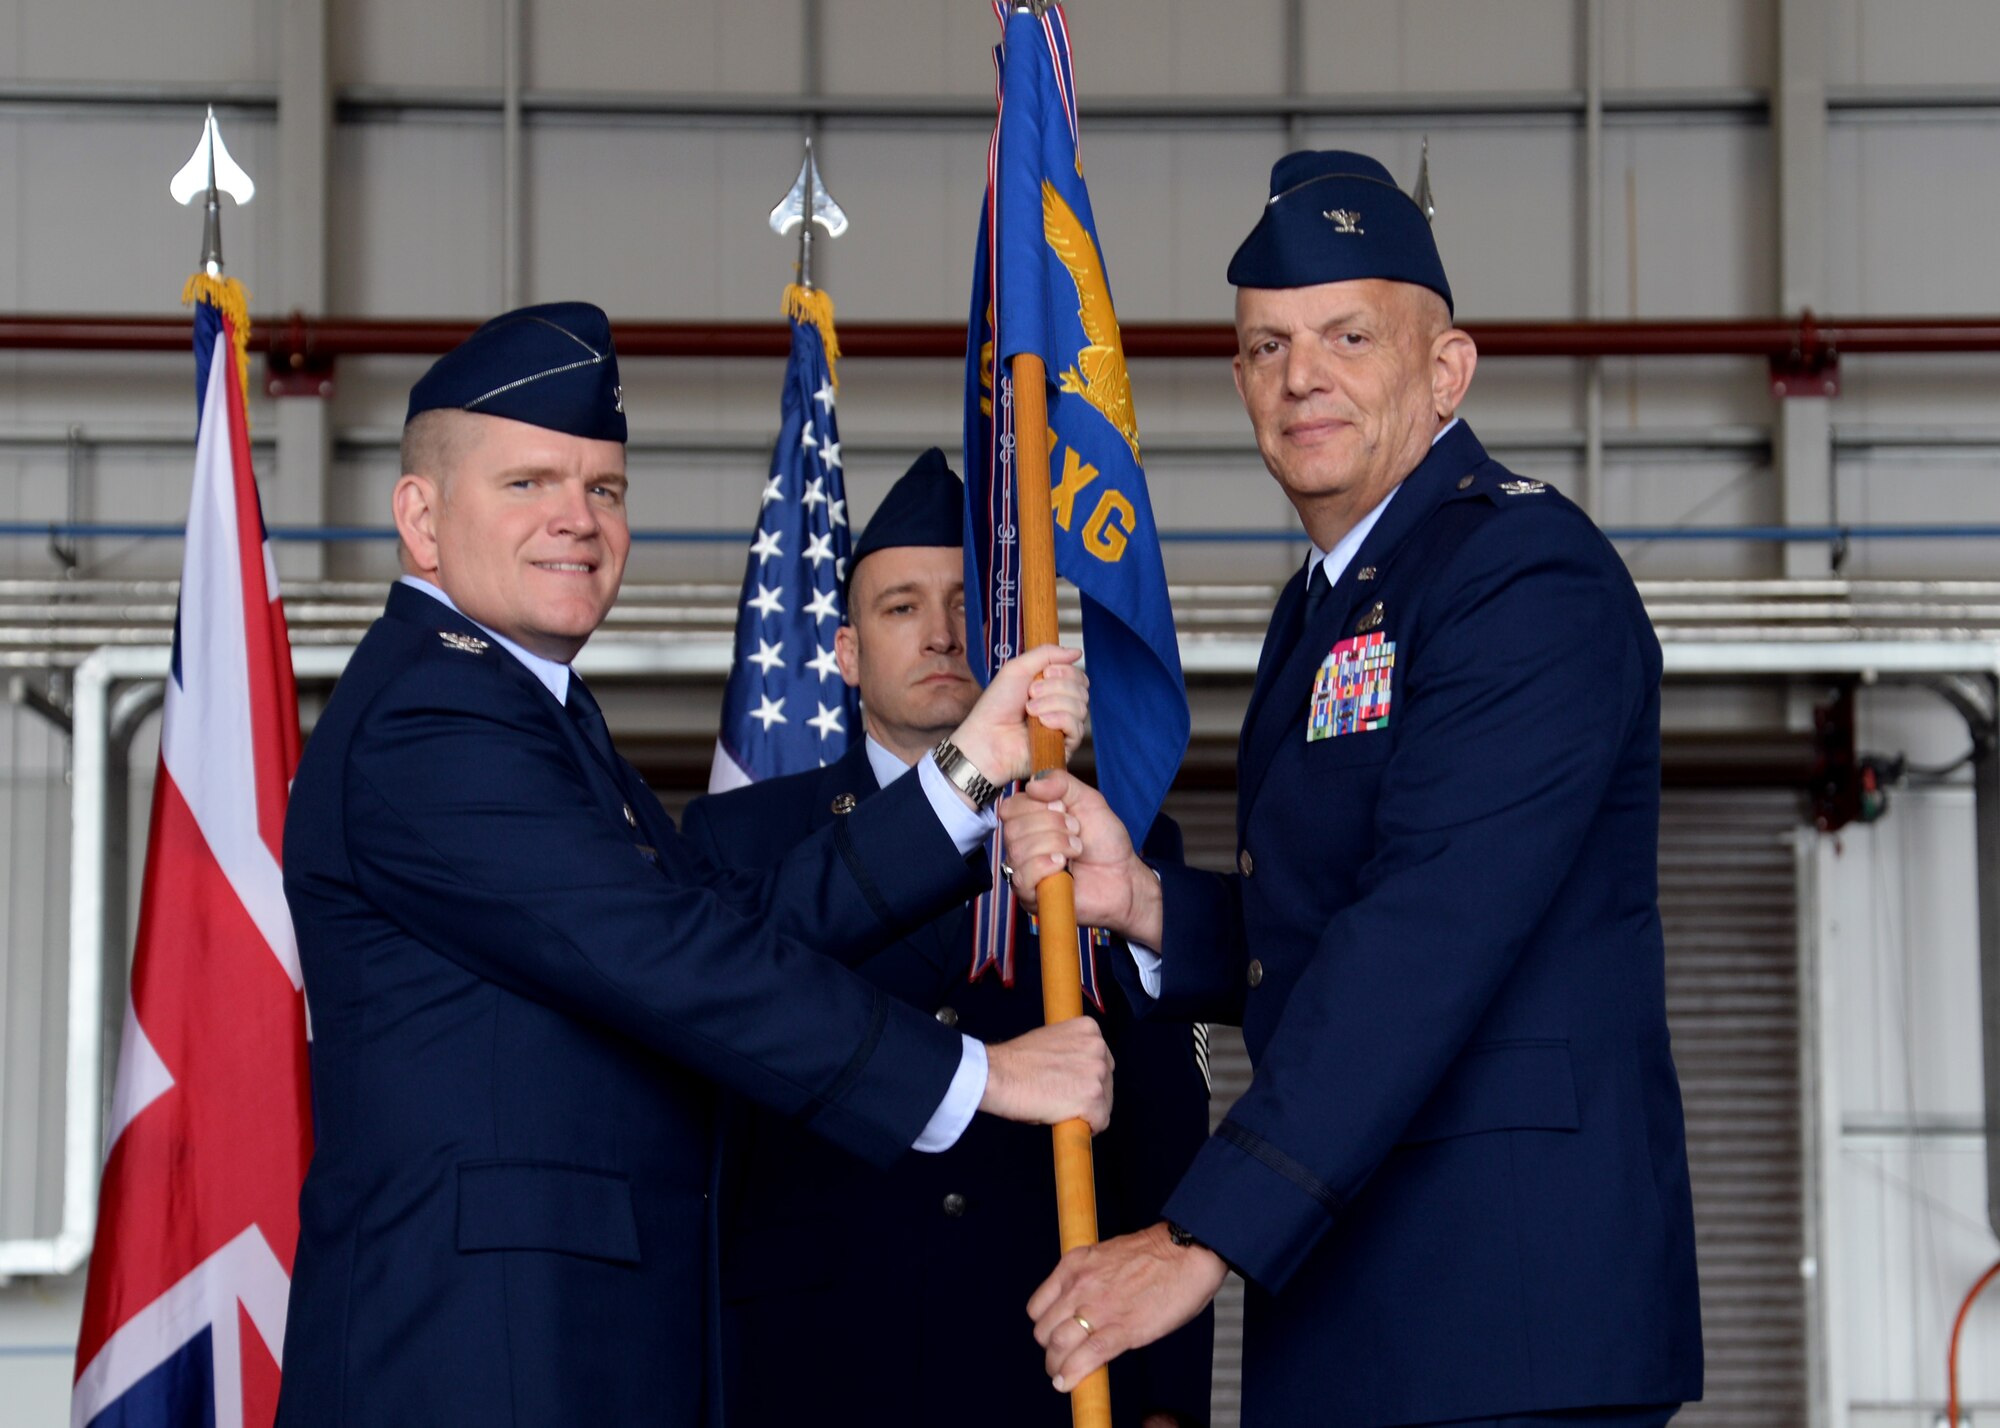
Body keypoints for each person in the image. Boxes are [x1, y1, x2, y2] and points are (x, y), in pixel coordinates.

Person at [277, 303, 1117, 1427]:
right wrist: (983, 1078)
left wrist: (973, 767)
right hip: (483, 1355)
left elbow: (739, 915)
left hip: (571, 1344)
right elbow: (670, 958)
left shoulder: (528, 710)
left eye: (604, 489)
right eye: (527, 483)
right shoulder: (430, 719)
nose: (576, 520)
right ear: (420, 519)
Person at [1001, 151, 1705, 1427]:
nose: (1299, 377)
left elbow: (1427, 933)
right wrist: (1149, 903)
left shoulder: (1522, 575)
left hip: (1502, 1317)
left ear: (1446, 370)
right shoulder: (1322, 608)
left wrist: (1198, 1237)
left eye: (1346, 335)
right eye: (1265, 348)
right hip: (1360, 1305)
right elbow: (1328, 918)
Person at [681, 448, 1213, 1428]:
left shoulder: (1108, 832)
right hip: (808, 1363)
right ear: (843, 652)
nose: (939, 634)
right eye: (899, 607)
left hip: (1045, 1358)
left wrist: (1168, 1399)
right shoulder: (738, 839)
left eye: (968, 603)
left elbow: (1162, 1120)